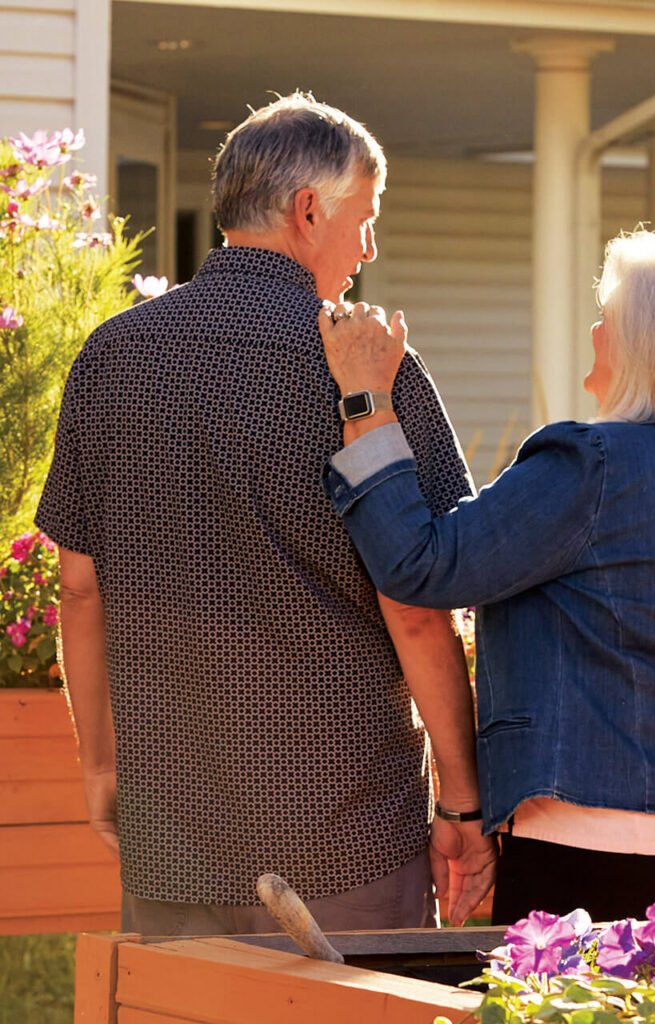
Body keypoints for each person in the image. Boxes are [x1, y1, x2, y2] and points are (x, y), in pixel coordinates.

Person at [35, 92, 496, 935]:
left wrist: (100, 768)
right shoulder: (372, 370)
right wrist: (462, 804)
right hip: (350, 846)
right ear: (308, 210)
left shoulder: (110, 357)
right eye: (366, 219)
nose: (369, 247)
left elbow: (80, 588)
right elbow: (420, 604)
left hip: (171, 844)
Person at [317, 228, 655, 923]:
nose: (595, 331)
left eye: (608, 316)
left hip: (582, 848)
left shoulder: (588, 464)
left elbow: (421, 564)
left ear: (648, 341)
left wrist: (366, 400)